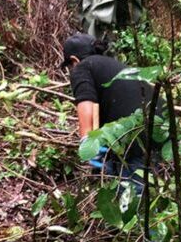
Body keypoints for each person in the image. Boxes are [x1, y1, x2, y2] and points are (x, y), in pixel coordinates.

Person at [62, 33, 162, 191]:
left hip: (134, 135)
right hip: (160, 127)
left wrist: (87, 144)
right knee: (148, 186)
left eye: (69, 66)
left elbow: (86, 103)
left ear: (74, 60)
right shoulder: (115, 66)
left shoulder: (82, 67)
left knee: (130, 195)